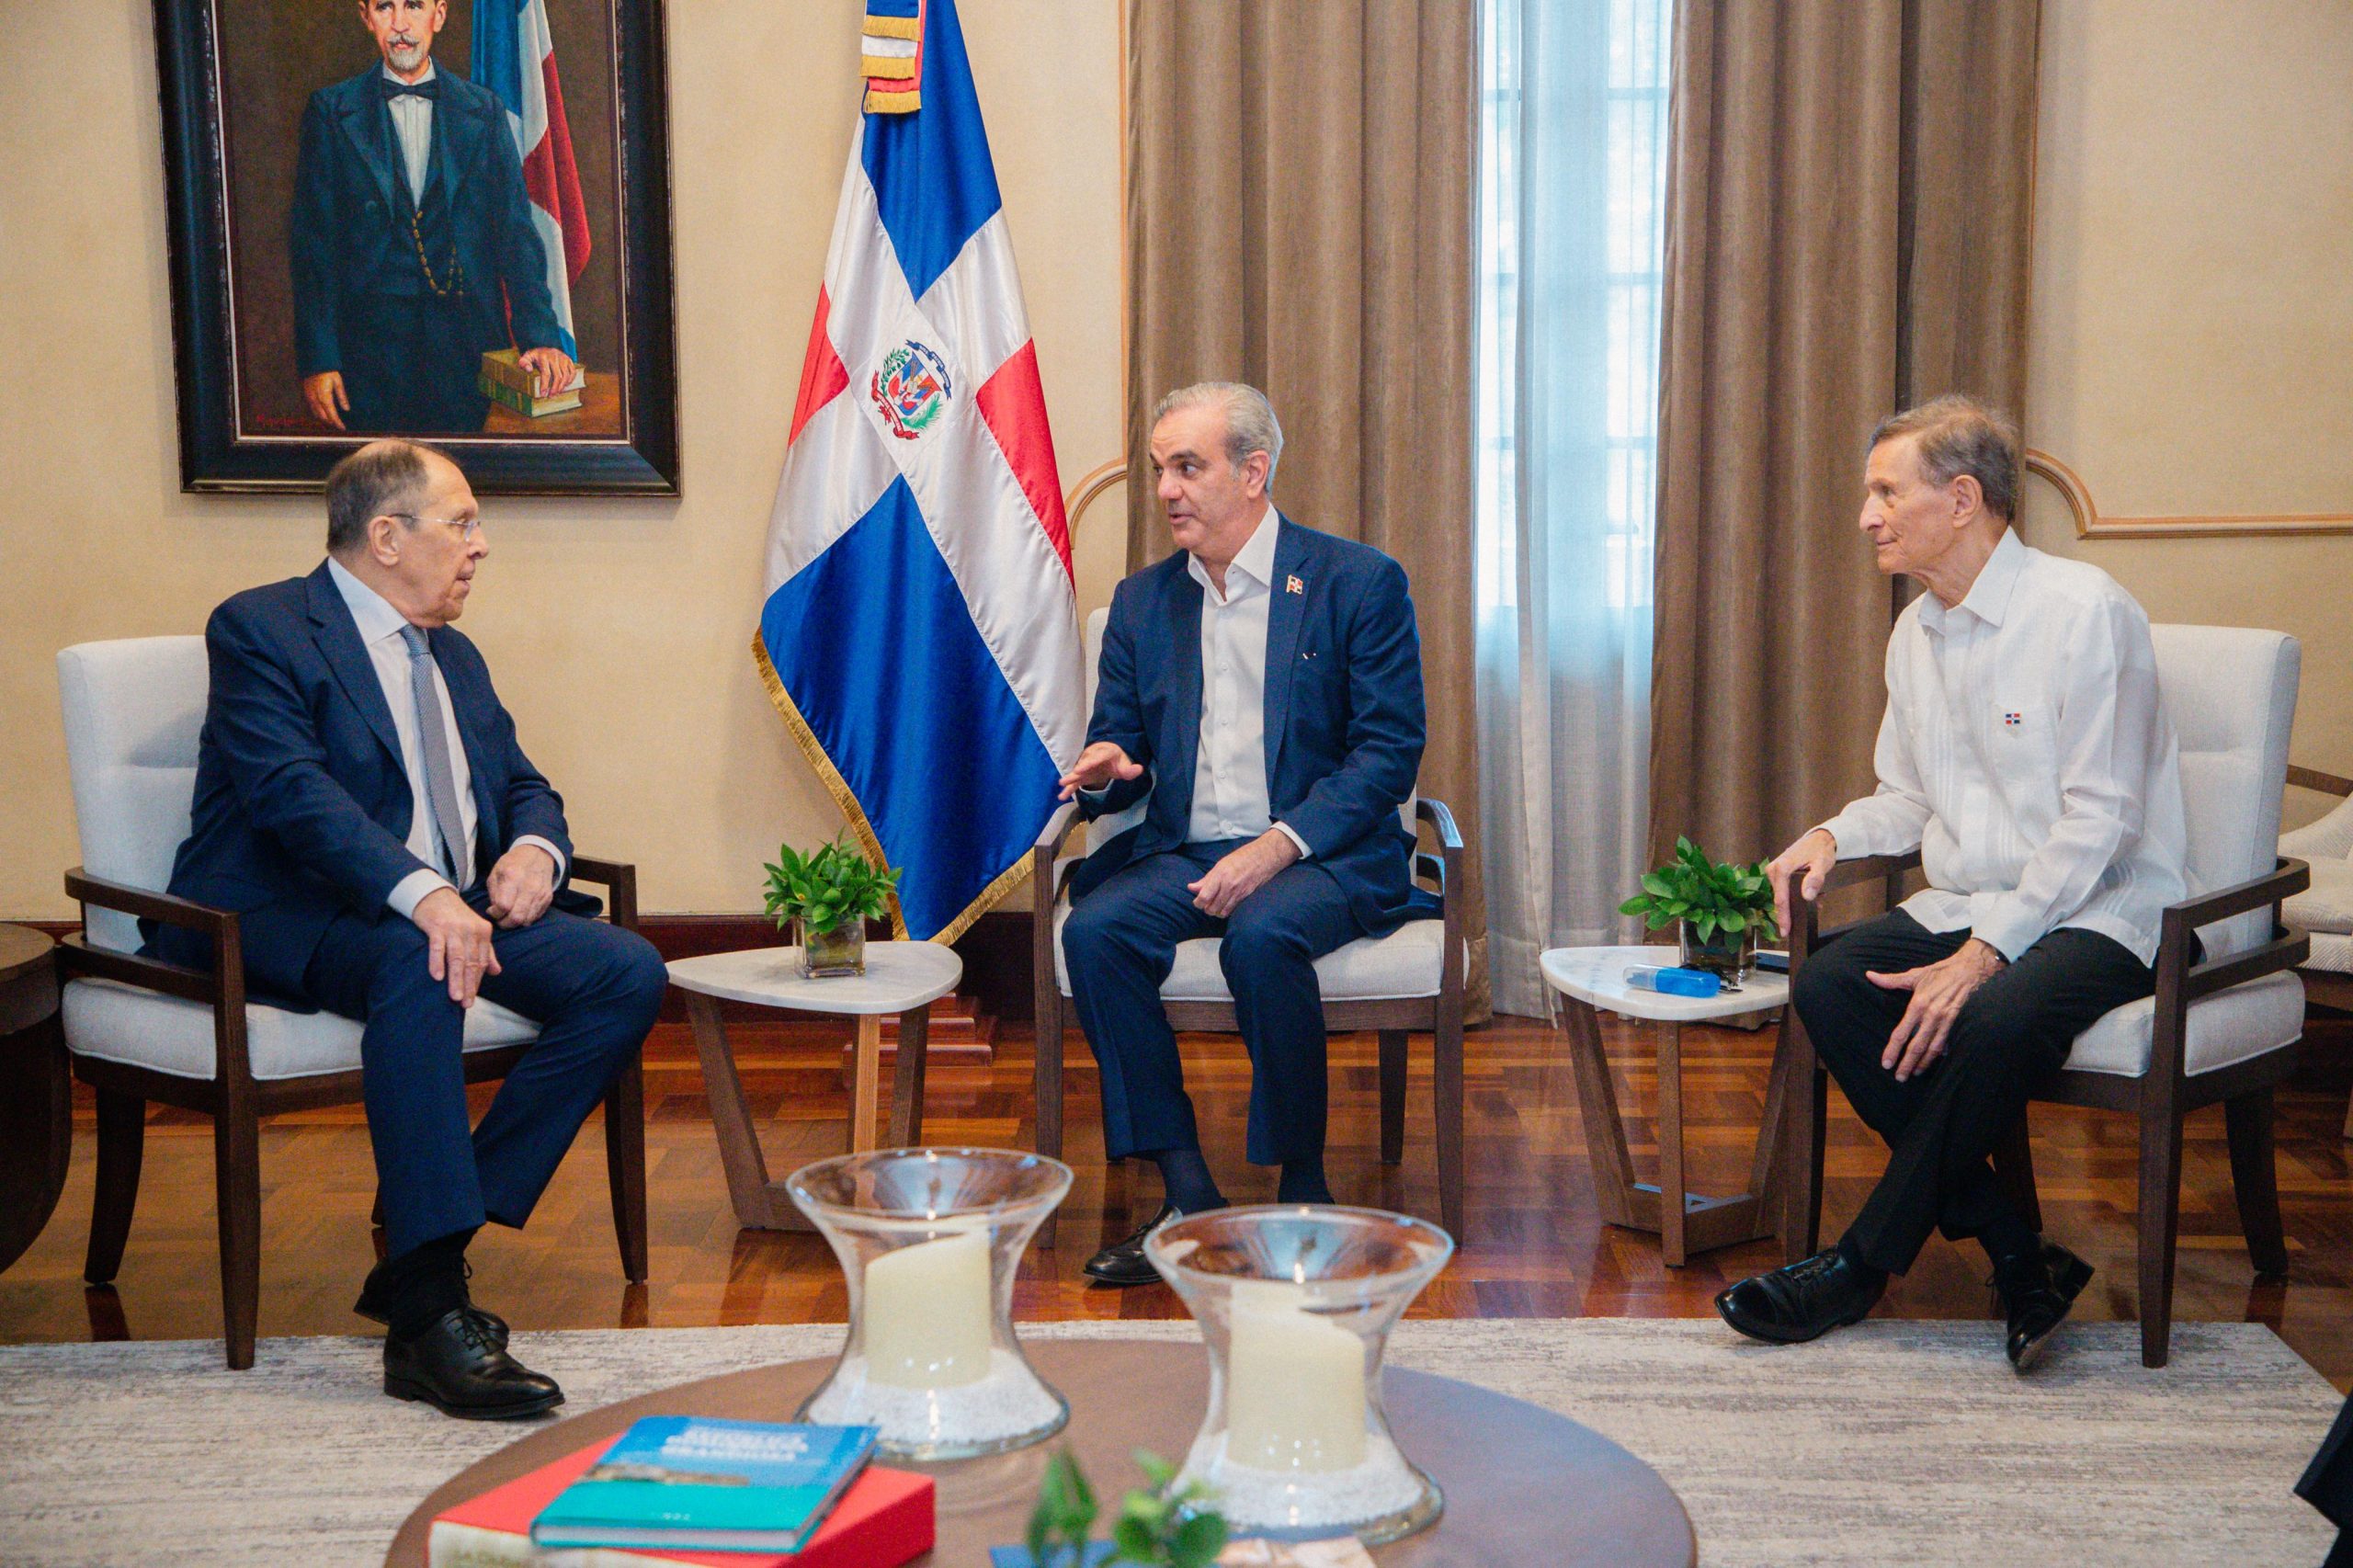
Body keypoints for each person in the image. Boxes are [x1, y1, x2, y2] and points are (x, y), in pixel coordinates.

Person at [151, 439, 666, 1416]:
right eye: (462, 522)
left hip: (446, 905)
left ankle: (429, 1244)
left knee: (625, 971)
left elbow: (523, 783)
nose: (481, 545)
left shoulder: (453, 652)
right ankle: (429, 1320)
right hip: (287, 909)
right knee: (423, 957)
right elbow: (291, 796)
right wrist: (425, 893)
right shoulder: (262, 627)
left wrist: (536, 852)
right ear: (386, 537)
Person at [1715, 395, 2190, 1372]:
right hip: (1971, 901)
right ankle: (2020, 1254)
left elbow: (2101, 822)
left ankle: (1857, 1265)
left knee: (1993, 1015)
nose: (1867, 516)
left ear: (1963, 498)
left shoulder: (2085, 612)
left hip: (2104, 907)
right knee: (1826, 984)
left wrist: (1984, 954)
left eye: (1886, 492)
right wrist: (1832, 834)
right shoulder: (1915, 633)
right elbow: (1906, 796)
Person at [1057, 382, 1435, 1286]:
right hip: (1187, 847)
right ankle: (1187, 1193)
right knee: (1095, 931)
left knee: (1262, 935)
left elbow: (1387, 753)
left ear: (1253, 472)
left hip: (1321, 853)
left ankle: (1301, 1185)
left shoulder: (1356, 583)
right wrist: (1109, 766)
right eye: (1161, 469)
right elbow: (1123, 740)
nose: (1166, 489)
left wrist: (1276, 847)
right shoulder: (1142, 604)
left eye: (1188, 467)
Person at [290, 0, 577, 434]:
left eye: (414, 6)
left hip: (466, 351)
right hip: (366, 356)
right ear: (366, 17)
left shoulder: (484, 110)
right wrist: (319, 359)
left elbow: (516, 235)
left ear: (439, 15)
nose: (400, 24)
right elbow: (314, 248)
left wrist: (540, 337)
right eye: (385, 7)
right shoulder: (330, 110)